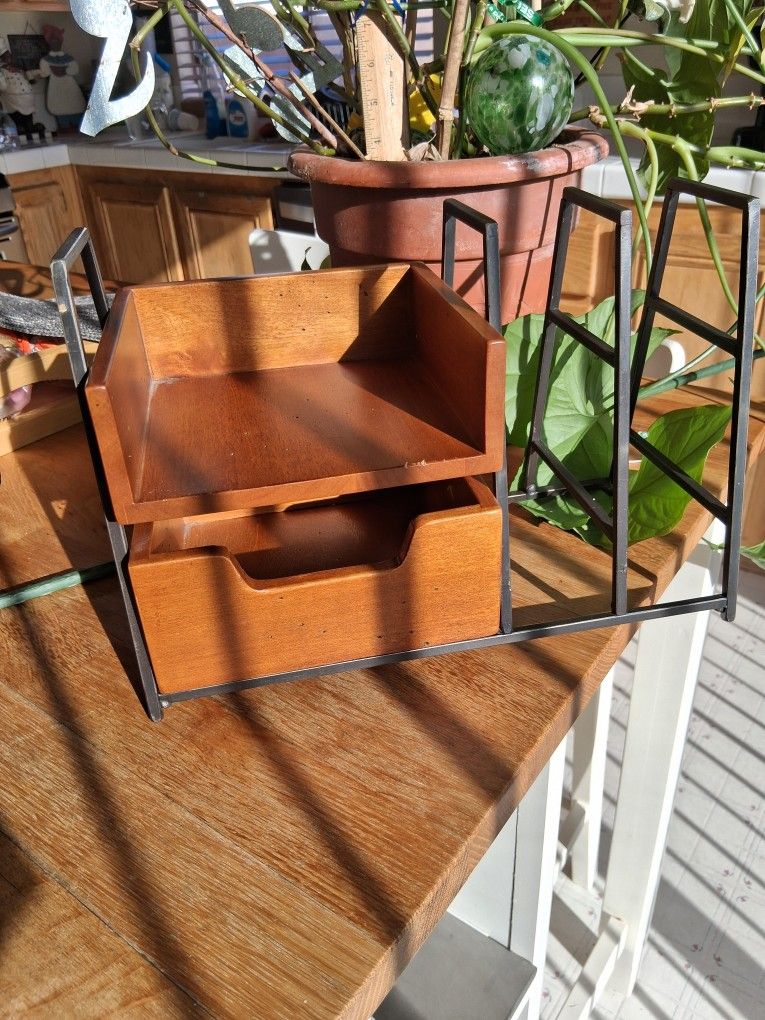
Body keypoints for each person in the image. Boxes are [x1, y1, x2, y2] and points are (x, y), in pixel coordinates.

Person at [37, 24, 86, 132]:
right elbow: (44, 73)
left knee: (74, 103)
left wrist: (65, 70)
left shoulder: (68, 58)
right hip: (55, 84)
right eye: (53, 42)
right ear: (49, 43)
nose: (55, 43)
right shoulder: (46, 59)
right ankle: (64, 125)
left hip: (69, 84)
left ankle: (78, 124)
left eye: (57, 41)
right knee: (59, 104)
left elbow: (74, 69)